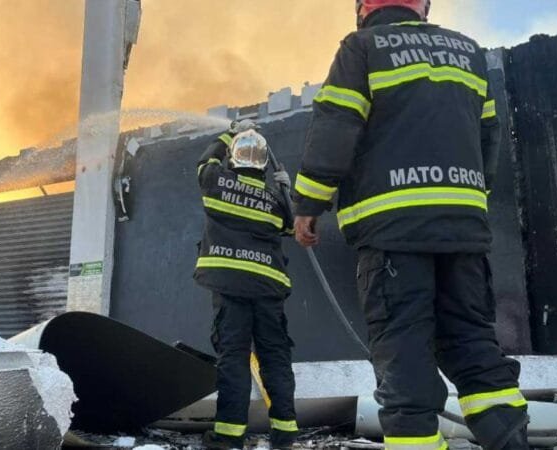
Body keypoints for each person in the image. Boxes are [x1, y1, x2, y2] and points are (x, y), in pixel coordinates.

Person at [292, 1, 528, 448]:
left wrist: (309, 203)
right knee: (473, 343)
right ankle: (511, 441)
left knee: (404, 351)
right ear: (422, 6)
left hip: (391, 233)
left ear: (363, 8)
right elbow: (489, 136)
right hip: (462, 231)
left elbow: (336, 126)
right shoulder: (468, 50)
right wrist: (465, 201)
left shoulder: (362, 47)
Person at [194, 120, 298, 450]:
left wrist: (230, 131)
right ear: (265, 165)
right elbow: (290, 228)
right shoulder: (273, 198)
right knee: (275, 358)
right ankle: (284, 433)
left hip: (231, 288)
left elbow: (204, 162)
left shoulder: (217, 181)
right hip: (268, 290)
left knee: (234, 359)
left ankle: (229, 437)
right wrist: (286, 190)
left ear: (233, 159)